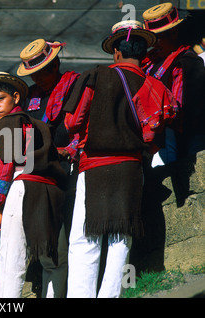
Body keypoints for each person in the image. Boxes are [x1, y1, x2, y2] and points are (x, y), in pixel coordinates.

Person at [63, 20, 178, 298]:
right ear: (143, 52)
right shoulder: (156, 87)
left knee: (84, 238)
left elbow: (71, 122)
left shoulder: (94, 77)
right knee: (120, 237)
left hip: (94, 167)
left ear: (115, 52)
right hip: (131, 169)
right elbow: (155, 131)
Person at [0, 72, 67, 298]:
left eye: (0, 99)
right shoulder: (38, 124)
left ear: (16, 97)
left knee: (10, 259)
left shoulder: (7, 123)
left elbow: (6, 168)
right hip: (50, 191)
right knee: (55, 259)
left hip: (23, 188)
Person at [16, 38, 80, 297]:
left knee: (70, 238)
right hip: (38, 174)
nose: (39, 77)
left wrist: (71, 150)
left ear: (55, 64)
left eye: (43, 71)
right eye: (34, 73)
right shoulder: (31, 96)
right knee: (45, 242)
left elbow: (82, 123)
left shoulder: (75, 86)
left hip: (69, 170)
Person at [141, 2, 205, 165]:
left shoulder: (186, 62)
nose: (154, 44)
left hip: (177, 136)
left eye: (158, 38)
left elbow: (182, 106)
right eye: (152, 39)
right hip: (155, 133)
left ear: (174, 33)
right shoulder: (151, 61)